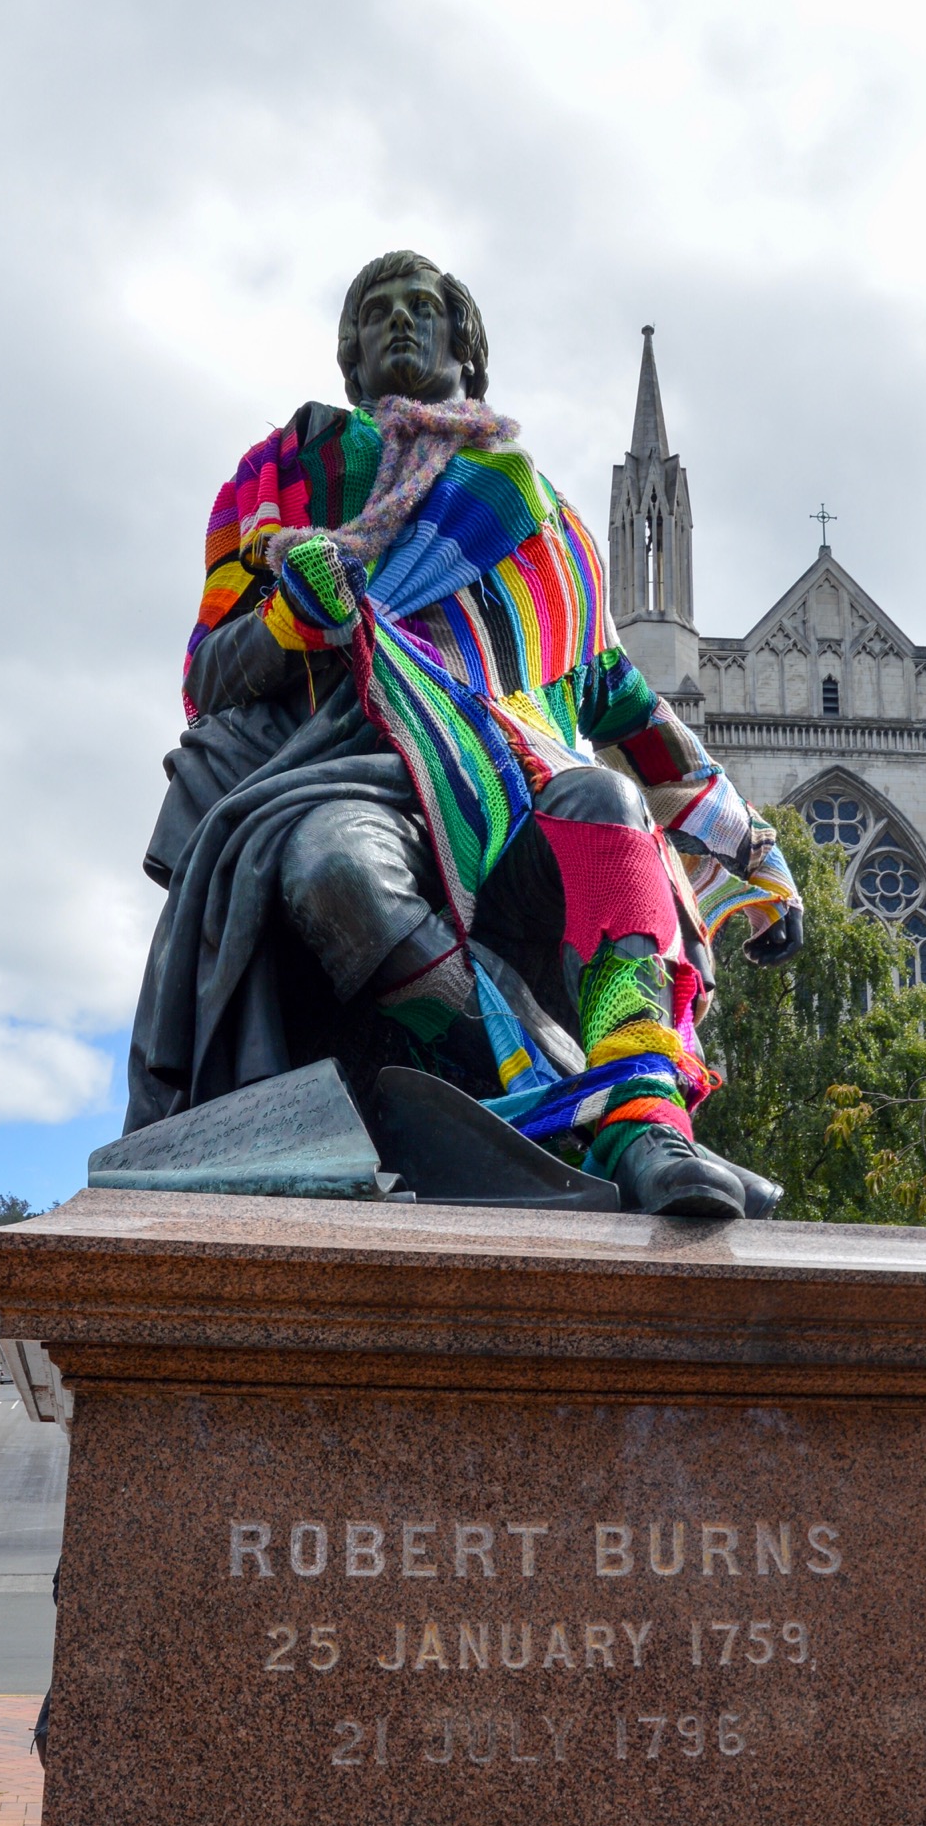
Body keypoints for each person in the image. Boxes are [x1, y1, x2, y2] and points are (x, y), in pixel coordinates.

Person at [125, 250, 803, 1217]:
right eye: (375, 313)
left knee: (602, 798)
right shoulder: (286, 474)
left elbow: (616, 696)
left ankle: (647, 1125)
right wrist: (291, 623)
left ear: (465, 348)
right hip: (343, 777)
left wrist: (751, 842)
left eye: (422, 309)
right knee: (334, 871)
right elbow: (208, 672)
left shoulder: (541, 522)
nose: (399, 323)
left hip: (506, 790)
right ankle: (555, 1087)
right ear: (351, 356)